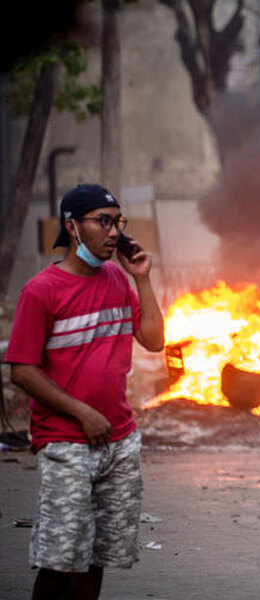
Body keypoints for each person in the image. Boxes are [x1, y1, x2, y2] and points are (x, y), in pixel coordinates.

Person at [4, 183, 165, 600]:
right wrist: (82, 413)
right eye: (103, 221)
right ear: (73, 227)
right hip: (66, 443)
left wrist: (143, 280)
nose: (114, 232)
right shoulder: (41, 291)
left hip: (119, 442)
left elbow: (153, 340)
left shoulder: (116, 277)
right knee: (61, 558)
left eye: (118, 222)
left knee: (96, 557)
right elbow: (22, 370)